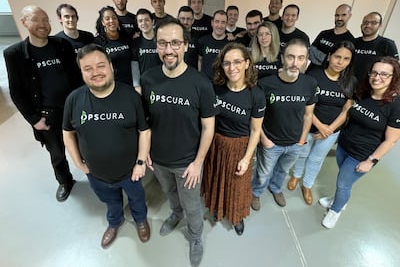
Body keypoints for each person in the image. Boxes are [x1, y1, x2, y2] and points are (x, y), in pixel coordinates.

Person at [140, 19, 217, 267]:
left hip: (187, 163)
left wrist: (198, 163)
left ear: (185, 45)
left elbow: (208, 126)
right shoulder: (148, 79)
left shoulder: (201, 84)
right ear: (156, 46)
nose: (169, 50)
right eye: (163, 43)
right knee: (170, 194)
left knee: (193, 205)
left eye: (175, 43)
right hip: (159, 159)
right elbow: (146, 121)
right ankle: (175, 213)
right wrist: (146, 151)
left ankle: (196, 236)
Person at [62, 43, 151, 248]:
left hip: (131, 172)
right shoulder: (74, 100)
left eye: (100, 65)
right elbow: (67, 132)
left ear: (111, 66)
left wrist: (140, 162)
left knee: (137, 200)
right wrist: (78, 163)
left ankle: (140, 220)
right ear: (81, 72)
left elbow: (144, 131)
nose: (96, 73)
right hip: (96, 173)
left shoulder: (130, 96)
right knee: (111, 202)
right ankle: (115, 222)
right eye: (88, 68)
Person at [319, 57, 400, 228]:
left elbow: (391, 141)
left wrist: (371, 161)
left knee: (343, 183)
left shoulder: (399, 108)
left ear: (394, 77)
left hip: (362, 155)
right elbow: (348, 113)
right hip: (344, 145)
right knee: (344, 182)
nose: (377, 77)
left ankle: (336, 210)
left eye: (384, 74)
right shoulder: (363, 92)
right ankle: (338, 199)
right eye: (374, 72)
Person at [3, 5, 81, 201]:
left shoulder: (62, 45)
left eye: (45, 20)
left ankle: (94, 174)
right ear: (24, 22)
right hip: (47, 114)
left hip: (72, 108)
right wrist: (34, 120)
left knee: (84, 145)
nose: (42, 24)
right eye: (36, 19)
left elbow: (76, 76)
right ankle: (65, 181)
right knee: (56, 153)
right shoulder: (15, 54)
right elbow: (16, 92)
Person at [201, 43, 265, 236]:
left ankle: (236, 216)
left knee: (237, 185)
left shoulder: (256, 95)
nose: (232, 68)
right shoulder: (216, 88)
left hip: (239, 147)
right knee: (215, 179)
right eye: (227, 63)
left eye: (237, 62)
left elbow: (255, 131)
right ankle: (217, 208)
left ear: (247, 63)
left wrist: (246, 159)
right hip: (217, 144)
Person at [288, 41, 357, 205]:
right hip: (309, 126)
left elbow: (347, 109)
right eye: (337, 57)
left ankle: (307, 185)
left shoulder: (351, 82)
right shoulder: (314, 76)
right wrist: (319, 126)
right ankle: (296, 176)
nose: (340, 62)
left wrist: (330, 129)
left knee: (316, 159)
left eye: (346, 59)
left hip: (331, 132)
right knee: (302, 153)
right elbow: (305, 105)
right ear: (329, 56)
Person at [251, 39, 317, 210]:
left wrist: (301, 140)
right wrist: (264, 140)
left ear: (306, 60)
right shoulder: (266, 84)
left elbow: (308, 115)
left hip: (295, 143)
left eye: (301, 58)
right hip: (271, 142)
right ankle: (256, 192)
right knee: (263, 172)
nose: (295, 63)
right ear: (282, 58)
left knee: (282, 171)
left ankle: (276, 188)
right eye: (291, 57)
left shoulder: (309, 83)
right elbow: (257, 117)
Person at [94, 6, 140, 91]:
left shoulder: (126, 37)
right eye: (107, 19)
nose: (111, 21)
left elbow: (134, 61)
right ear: (103, 22)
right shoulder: (98, 42)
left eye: (114, 18)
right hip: (111, 87)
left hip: (130, 85)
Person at [353, 12, 399, 85]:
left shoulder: (387, 44)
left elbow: (395, 70)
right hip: (350, 87)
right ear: (361, 25)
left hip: (373, 88)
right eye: (365, 22)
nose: (368, 25)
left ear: (380, 25)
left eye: (373, 22)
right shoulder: (353, 42)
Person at [310, 4, 354, 68]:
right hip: (311, 72)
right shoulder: (324, 33)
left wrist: (319, 56)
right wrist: (328, 61)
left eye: (343, 15)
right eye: (337, 15)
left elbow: (341, 62)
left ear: (349, 16)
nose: (339, 18)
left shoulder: (350, 40)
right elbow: (311, 51)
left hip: (329, 76)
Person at [198, 10, 229, 80]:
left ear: (226, 24)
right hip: (205, 82)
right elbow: (200, 61)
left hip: (224, 83)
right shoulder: (202, 41)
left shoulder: (231, 44)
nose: (219, 25)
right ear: (212, 23)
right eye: (217, 21)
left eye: (223, 22)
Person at [132, 8, 162, 74]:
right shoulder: (136, 42)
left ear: (153, 21)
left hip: (162, 81)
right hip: (144, 82)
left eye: (147, 20)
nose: (144, 23)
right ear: (137, 24)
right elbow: (135, 64)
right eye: (140, 21)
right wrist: (136, 83)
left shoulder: (161, 40)